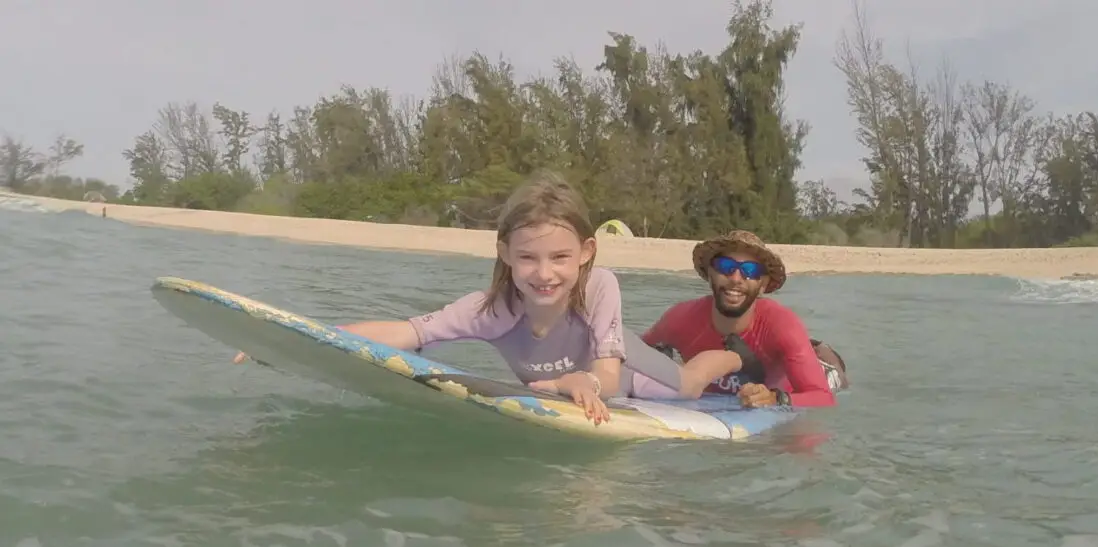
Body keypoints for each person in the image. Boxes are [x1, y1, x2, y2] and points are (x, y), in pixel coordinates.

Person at [232, 171, 745, 425]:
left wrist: (576, 380)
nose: (544, 274)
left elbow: (608, 379)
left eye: (560, 258)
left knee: (689, 385)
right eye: (528, 258)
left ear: (586, 252)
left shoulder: (600, 286)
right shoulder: (492, 310)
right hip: (576, 384)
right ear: (504, 251)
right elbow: (405, 333)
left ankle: (734, 348)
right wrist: (294, 339)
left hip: (629, 367)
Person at [641, 229, 841, 409]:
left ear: (763, 284)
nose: (736, 279)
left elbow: (823, 398)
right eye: (726, 266)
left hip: (804, 381)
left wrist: (776, 399)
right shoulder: (679, 319)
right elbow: (631, 352)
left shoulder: (783, 325)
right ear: (710, 274)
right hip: (723, 393)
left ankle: (820, 351)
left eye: (750, 271)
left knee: (829, 373)